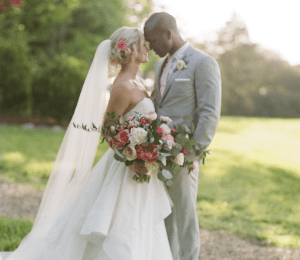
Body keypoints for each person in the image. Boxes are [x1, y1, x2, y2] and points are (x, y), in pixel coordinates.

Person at [0, 27, 174, 260]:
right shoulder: (122, 86)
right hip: (126, 166)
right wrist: (133, 156)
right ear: (131, 50)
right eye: (143, 44)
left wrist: (156, 142)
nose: (148, 48)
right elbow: (108, 128)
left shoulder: (139, 82)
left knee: (138, 219)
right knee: (120, 222)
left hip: (141, 165)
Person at [144, 12, 222, 260]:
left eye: (153, 41)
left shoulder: (203, 62)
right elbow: (158, 106)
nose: (151, 47)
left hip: (183, 155)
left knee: (185, 216)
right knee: (164, 213)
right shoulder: (160, 65)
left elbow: (209, 112)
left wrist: (192, 155)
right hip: (159, 152)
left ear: (168, 34)